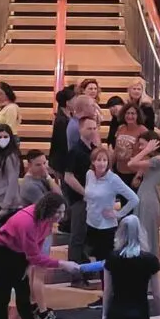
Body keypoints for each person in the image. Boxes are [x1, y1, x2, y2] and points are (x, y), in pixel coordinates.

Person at [0, 193, 79, 319]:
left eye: (62, 212)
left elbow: (36, 247)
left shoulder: (46, 220)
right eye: (58, 212)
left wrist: (28, 264)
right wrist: (62, 264)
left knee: (24, 293)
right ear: (48, 209)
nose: (60, 216)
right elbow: (35, 256)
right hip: (2, 252)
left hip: (18, 252)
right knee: (2, 297)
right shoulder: (28, 222)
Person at [84, 146, 139, 310]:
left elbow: (134, 199)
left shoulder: (113, 179)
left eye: (104, 160)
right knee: (100, 262)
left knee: (107, 264)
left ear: (108, 162)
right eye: (98, 160)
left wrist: (118, 213)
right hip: (91, 224)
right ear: (93, 161)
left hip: (106, 228)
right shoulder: (89, 175)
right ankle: (108, 294)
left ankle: (112, 296)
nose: (101, 163)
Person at [19, 151, 63, 319]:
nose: (43, 167)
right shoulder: (30, 185)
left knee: (33, 271)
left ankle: (32, 303)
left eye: (45, 163)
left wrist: (48, 177)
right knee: (39, 273)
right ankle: (43, 311)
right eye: (38, 164)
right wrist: (50, 179)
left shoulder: (41, 179)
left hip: (40, 231)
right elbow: (56, 202)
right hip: (37, 233)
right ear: (29, 165)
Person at [127, 132, 160, 258]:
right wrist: (140, 173)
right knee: (140, 229)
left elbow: (130, 164)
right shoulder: (150, 161)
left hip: (149, 197)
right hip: (143, 195)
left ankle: (149, 260)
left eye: (142, 145)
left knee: (146, 230)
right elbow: (135, 183)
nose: (140, 148)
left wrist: (146, 150)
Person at [64, 115, 99, 272]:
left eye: (94, 128)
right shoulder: (75, 151)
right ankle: (75, 272)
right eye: (88, 128)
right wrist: (86, 193)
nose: (92, 131)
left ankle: (85, 268)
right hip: (80, 199)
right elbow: (68, 177)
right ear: (80, 129)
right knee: (77, 236)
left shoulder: (94, 150)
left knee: (89, 236)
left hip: (94, 200)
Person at [0, 124, 22, 220]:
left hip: (5, 202)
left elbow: (12, 182)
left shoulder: (11, 156)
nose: (2, 139)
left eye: (5, 137)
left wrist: (5, 206)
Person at [113, 103, 147, 188]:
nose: (130, 116)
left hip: (134, 173)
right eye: (127, 113)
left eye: (133, 113)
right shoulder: (121, 128)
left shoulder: (142, 130)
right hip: (119, 171)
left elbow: (146, 155)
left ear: (137, 115)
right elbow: (116, 149)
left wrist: (138, 176)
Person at [49, 86, 76, 177]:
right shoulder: (62, 121)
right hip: (63, 162)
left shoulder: (69, 116)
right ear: (68, 103)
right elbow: (61, 145)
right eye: (74, 100)